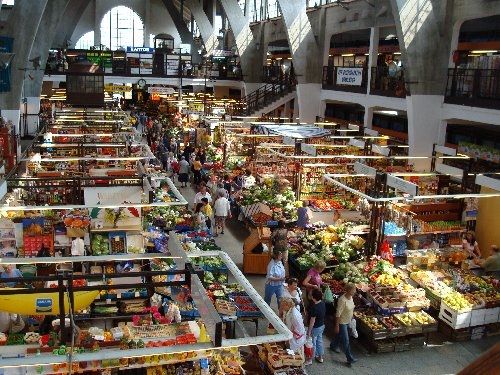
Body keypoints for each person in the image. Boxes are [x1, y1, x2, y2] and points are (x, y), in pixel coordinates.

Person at [330, 283, 357, 366]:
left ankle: (333, 346)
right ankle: (350, 358)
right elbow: (338, 314)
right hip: (342, 322)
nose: (355, 291)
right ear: (348, 290)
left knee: (340, 335)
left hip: (348, 320)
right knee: (346, 340)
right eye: (353, 290)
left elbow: (350, 309)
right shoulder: (342, 300)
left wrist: (352, 318)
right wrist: (337, 325)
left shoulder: (351, 297)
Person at [281, 297, 306, 361]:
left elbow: (297, 328)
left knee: (295, 355)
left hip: (295, 337)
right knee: (290, 349)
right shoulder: (289, 310)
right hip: (291, 335)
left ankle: (295, 362)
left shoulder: (295, 315)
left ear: (287, 305)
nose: (281, 307)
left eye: (282, 305)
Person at [306, 289, 326, 365]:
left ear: (313, 297)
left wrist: (309, 331)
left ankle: (310, 359)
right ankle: (320, 357)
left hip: (315, 327)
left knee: (312, 343)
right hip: (322, 326)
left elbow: (312, 321)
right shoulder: (322, 303)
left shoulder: (314, 307)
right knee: (319, 341)